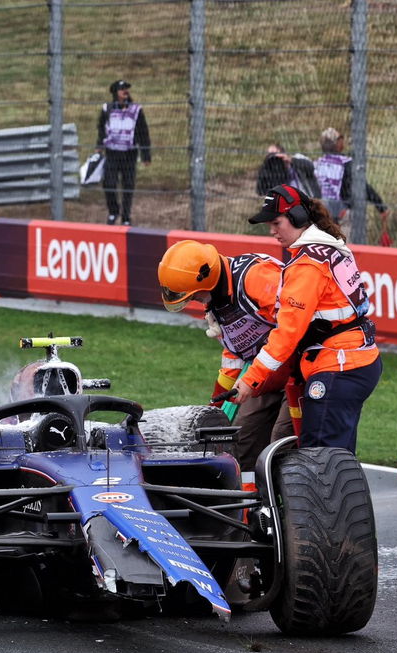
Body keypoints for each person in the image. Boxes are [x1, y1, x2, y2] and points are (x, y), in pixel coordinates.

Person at [231, 185, 381, 451]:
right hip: (354, 362)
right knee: (337, 459)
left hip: (338, 367)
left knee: (318, 461)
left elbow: (287, 334)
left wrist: (251, 379)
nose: (272, 231)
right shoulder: (329, 248)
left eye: (276, 223)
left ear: (299, 217)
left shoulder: (307, 265)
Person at [157, 240, 292, 478]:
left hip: (301, 372)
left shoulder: (256, 278)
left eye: (192, 296)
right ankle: (249, 508)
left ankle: (287, 506)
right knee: (243, 443)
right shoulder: (217, 303)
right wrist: (213, 408)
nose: (193, 301)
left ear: (204, 280)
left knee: (280, 444)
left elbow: (294, 328)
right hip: (265, 376)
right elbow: (234, 355)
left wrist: (258, 375)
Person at [96, 79, 151, 226]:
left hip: (129, 154)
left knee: (128, 185)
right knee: (109, 183)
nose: (125, 92)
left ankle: (126, 216)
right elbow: (101, 127)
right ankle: (113, 211)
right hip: (112, 153)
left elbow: (143, 132)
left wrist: (146, 155)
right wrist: (99, 145)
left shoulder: (136, 110)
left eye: (127, 89)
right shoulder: (107, 109)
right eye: (122, 89)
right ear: (115, 93)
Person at [312, 127, 389, 228]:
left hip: (322, 214)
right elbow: (363, 186)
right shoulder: (346, 163)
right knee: (346, 241)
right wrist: (381, 207)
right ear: (337, 143)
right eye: (341, 137)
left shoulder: (317, 164)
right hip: (343, 213)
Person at [255, 143, 319, 200]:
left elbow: (311, 167)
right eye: (270, 155)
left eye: (275, 154)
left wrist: (291, 160)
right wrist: (264, 167)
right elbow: (260, 191)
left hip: (307, 200)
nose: (274, 157)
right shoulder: (270, 170)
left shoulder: (297, 159)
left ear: (283, 154)